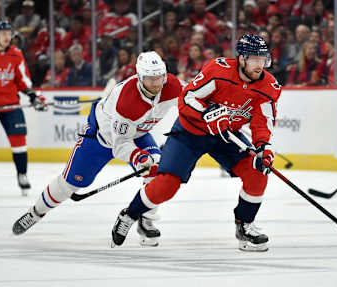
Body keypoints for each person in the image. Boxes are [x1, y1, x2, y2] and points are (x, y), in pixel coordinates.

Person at [110, 34, 282, 252]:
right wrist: (207, 113)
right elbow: (187, 98)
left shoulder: (269, 86)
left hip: (225, 135)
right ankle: (130, 214)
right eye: (255, 59)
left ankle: (245, 226)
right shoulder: (218, 70)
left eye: (263, 59)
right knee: (166, 185)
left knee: (258, 171)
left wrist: (263, 147)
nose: (260, 65)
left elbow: (262, 121)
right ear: (241, 58)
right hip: (191, 131)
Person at [12, 51, 183, 247]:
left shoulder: (172, 86)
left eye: (160, 77)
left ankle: (145, 220)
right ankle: (35, 213)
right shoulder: (126, 101)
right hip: (101, 139)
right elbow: (120, 146)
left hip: (138, 133)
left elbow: (189, 103)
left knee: (159, 173)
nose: (156, 83)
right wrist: (140, 158)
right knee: (69, 184)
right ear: (139, 77)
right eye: (150, 78)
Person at [0, 19, 46, 196]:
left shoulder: (16, 54)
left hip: (11, 105)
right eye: (3, 34)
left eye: (9, 34)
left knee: (19, 142)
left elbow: (23, 80)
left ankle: (22, 174)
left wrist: (33, 96)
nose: (7, 37)